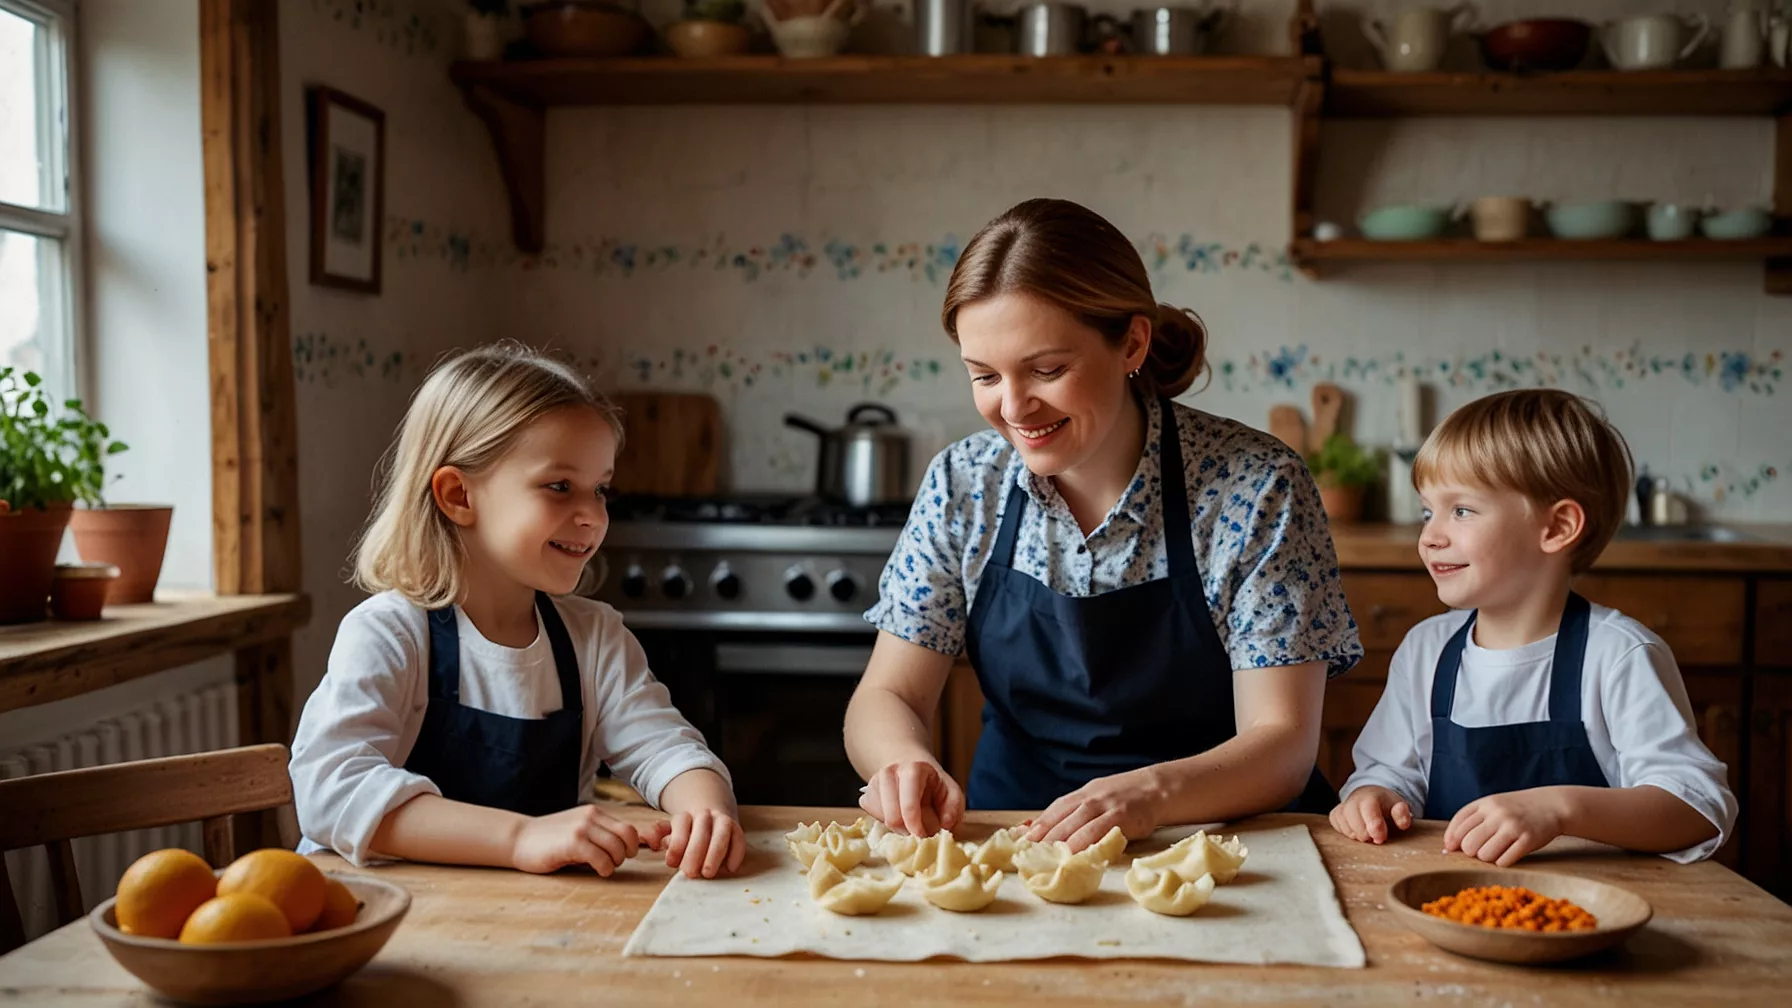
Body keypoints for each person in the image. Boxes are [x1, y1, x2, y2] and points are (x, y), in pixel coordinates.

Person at [843, 198, 1363, 851]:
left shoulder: (1255, 487)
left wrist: (1149, 796)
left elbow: (1282, 743)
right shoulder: (964, 483)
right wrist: (899, 760)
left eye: (1046, 370)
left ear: (1133, 344)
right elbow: (887, 694)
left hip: (1225, 852)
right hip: (1020, 844)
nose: (1012, 407)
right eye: (984, 375)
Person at [290, 344, 745, 879]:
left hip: (533, 923)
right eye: (559, 486)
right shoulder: (391, 633)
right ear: (459, 495)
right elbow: (330, 789)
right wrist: (519, 838)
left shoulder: (593, 639)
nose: (592, 516)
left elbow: (666, 748)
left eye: (601, 489)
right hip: (396, 924)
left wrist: (705, 807)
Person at [1332, 389, 1737, 865]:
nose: (1429, 537)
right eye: (1428, 511)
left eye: (1460, 510)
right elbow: (1390, 774)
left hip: (1591, 910)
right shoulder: (1427, 650)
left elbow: (1697, 807)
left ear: (1557, 528)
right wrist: (1372, 798)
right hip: (1443, 900)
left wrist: (1559, 808)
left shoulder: (1618, 655)